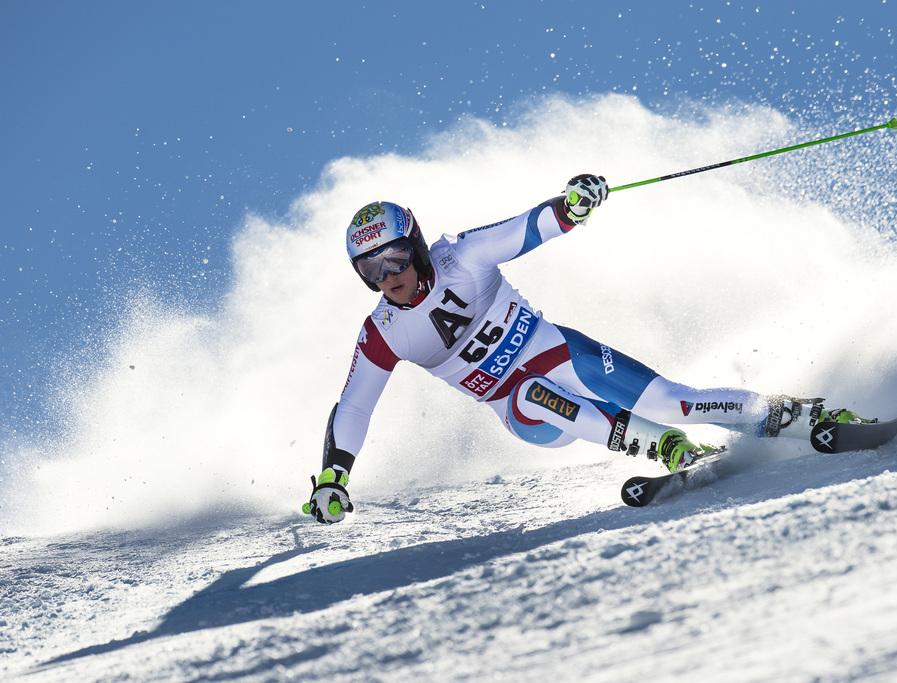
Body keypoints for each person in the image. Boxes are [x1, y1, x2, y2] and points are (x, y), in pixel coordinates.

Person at [303, 174, 863, 523]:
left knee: (672, 399)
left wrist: (570, 206)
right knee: (531, 393)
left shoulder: (463, 257)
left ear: (417, 248)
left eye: (395, 258)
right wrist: (334, 476)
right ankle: (668, 450)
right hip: (525, 410)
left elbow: (525, 228)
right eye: (371, 270)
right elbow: (354, 405)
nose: (389, 278)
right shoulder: (383, 330)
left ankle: (796, 417)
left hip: (564, 352)